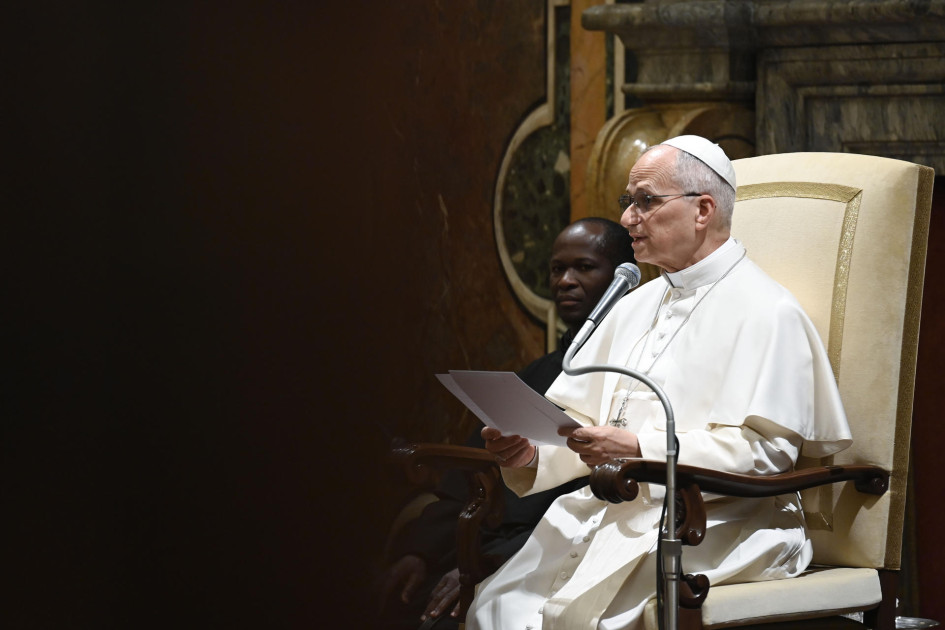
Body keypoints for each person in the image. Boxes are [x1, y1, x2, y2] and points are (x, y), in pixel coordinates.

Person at [468, 135, 853, 629]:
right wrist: (534, 454)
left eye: (645, 202)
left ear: (703, 210)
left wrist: (639, 446)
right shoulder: (634, 302)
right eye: (628, 202)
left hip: (718, 522)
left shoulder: (768, 312)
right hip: (614, 509)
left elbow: (766, 453)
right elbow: (583, 424)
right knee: (497, 610)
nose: (629, 218)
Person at [378, 218, 636, 629]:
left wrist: (486, 567)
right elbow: (470, 473)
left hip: (549, 551)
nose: (565, 281)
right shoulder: (535, 375)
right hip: (487, 540)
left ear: (626, 278)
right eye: (557, 269)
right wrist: (422, 553)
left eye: (584, 267)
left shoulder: (631, 380)